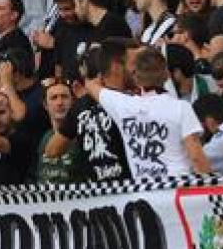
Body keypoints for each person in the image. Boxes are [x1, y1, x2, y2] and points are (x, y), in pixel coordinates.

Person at [86, 45, 211, 178]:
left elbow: (90, 84)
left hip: (144, 192)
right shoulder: (182, 107)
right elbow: (197, 157)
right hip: (177, 189)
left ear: (135, 75)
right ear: (167, 74)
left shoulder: (122, 105)